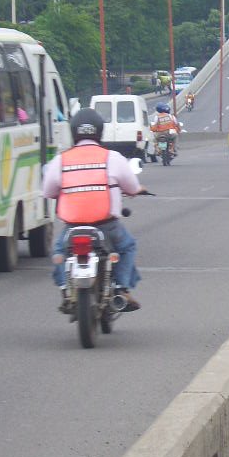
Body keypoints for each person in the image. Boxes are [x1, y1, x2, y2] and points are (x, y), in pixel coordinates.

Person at [43, 108, 144, 313]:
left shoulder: (61, 160)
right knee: (127, 247)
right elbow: (132, 187)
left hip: (73, 227)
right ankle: (122, 289)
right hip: (105, 225)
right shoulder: (112, 158)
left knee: (60, 252)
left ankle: (65, 289)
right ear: (99, 132)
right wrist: (138, 190)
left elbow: (48, 190)